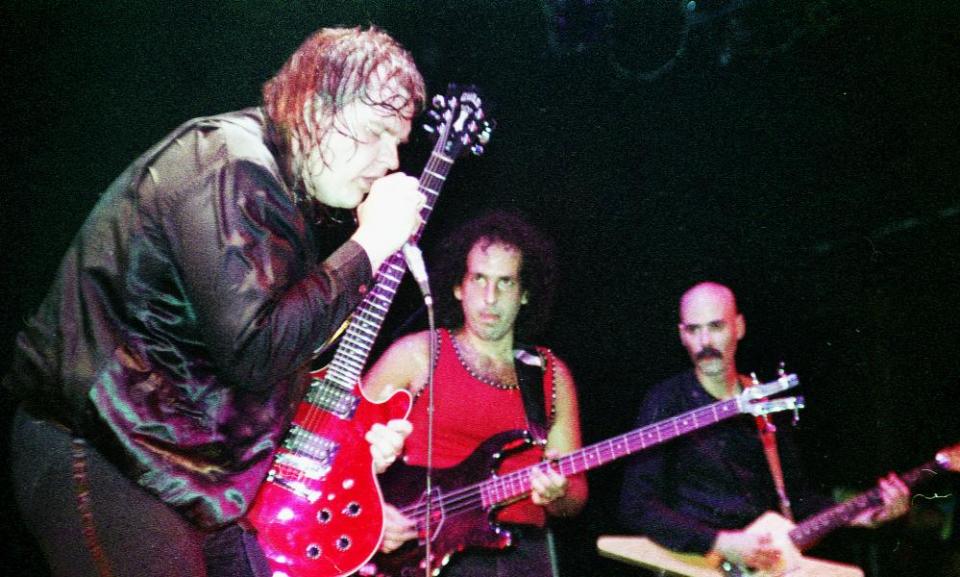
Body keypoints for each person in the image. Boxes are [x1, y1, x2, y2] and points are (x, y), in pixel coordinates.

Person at [3, 26, 428, 577]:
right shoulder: (230, 163)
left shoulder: (279, 195)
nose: (389, 161)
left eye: (398, 141)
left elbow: (252, 370)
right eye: (376, 133)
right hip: (98, 448)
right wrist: (369, 245)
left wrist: (347, 449)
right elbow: (255, 349)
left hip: (169, 470)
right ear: (317, 107)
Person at [618, 281, 911, 574]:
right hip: (698, 565)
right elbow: (636, 505)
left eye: (716, 327)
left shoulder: (765, 402)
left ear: (739, 327)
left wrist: (864, 515)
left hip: (762, 564)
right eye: (694, 330)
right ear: (682, 335)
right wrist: (718, 542)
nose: (705, 342)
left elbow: (796, 501)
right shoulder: (667, 401)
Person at [362, 210, 589, 576]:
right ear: (458, 286)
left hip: (520, 555)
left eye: (505, 282)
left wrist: (558, 493)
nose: (490, 297)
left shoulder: (551, 375)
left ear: (526, 293)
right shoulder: (417, 355)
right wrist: (368, 516)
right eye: (479, 279)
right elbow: (338, 445)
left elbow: (575, 493)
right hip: (420, 551)